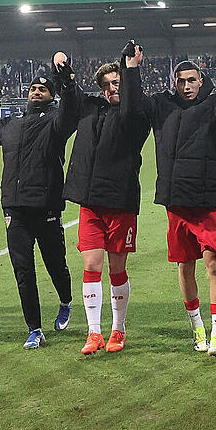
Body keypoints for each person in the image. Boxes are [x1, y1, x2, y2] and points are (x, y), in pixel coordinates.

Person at [130, 50, 216, 357]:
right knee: (185, 268)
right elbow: (132, 108)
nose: (186, 86)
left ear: (201, 80)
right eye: (181, 81)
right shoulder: (161, 105)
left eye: (192, 80)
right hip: (176, 203)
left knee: (215, 266)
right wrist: (131, 69)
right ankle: (197, 326)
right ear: (174, 82)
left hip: (208, 202)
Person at [0, 55, 78, 349]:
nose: (36, 92)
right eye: (33, 89)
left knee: (56, 264)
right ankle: (34, 329)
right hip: (14, 209)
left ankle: (66, 301)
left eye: (43, 89)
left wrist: (64, 77)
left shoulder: (57, 122)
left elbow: (71, 109)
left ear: (51, 95)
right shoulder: (11, 125)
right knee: (23, 271)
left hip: (46, 207)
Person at [62, 45, 151, 355]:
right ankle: (94, 332)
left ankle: (118, 329)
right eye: (108, 85)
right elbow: (71, 95)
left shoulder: (137, 115)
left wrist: (130, 68)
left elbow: (129, 106)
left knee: (116, 268)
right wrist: (62, 68)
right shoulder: (90, 110)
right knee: (91, 263)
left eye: (118, 83)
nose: (113, 89)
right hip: (90, 201)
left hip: (120, 201)